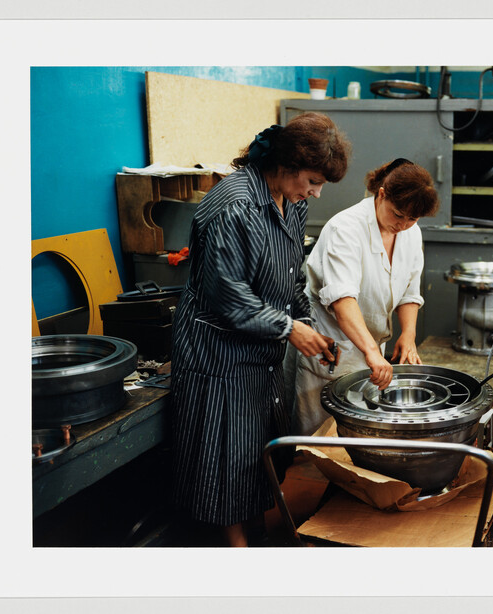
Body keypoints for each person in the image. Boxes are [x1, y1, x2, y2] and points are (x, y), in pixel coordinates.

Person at [169, 112, 350, 547]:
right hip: (218, 352)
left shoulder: (293, 201)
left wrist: (306, 323)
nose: (316, 192)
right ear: (285, 164)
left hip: (261, 349)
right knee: (226, 456)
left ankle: (252, 530)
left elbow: (292, 276)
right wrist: (289, 329)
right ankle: (237, 551)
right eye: (312, 180)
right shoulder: (232, 205)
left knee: (256, 450)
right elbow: (226, 294)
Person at [293, 158, 440, 435]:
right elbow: (342, 300)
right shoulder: (346, 229)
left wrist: (408, 334)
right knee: (316, 443)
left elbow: (410, 290)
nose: (404, 225)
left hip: (371, 353)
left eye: (413, 218)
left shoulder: (410, 232)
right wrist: (371, 351)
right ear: (381, 194)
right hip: (331, 349)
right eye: (398, 215)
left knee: (356, 441)